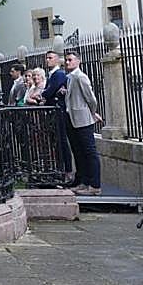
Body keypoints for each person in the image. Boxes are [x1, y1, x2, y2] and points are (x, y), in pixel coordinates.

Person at [63, 50, 102, 196]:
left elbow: (91, 98)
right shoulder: (70, 77)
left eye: (71, 60)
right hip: (72, 118)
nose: (68, 62)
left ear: (78, 61)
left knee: (89, 152)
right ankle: (83, 182)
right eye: (66, 60)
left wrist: (92, 112)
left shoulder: (81, 77)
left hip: (83, 119)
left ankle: (95, 184)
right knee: (78, 152)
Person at [41, 50, 74, 184]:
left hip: (59, 112)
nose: (47, 60)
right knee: (56, 141)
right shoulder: (51, 74)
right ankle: (59, 169)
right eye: (47, 58)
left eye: (50, 58)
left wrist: (43, 95)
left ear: (57, 60)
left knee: (61, 141)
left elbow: (49, 91)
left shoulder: (58, 74)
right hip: (53, 112)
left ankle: (67, 170)